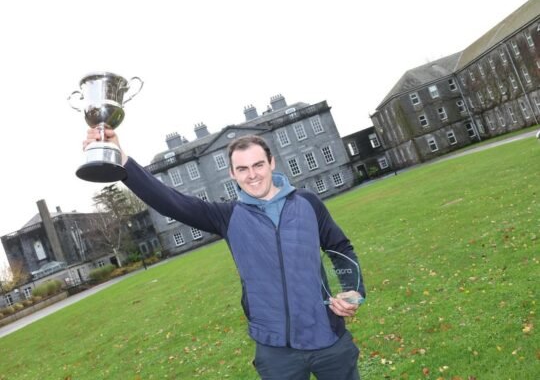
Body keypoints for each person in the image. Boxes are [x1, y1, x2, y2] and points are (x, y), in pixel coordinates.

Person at [84, 128, 366, 380]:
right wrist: (122, 160)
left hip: (327, 337)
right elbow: (170, 202)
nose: (252, 175)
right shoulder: (227, 216)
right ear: (232, 174)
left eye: (258, 165)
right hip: (275, 348)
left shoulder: (307, 203)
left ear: (271, 163)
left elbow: (340, 248)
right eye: (242, 169)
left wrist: (352, 290)